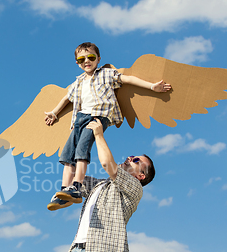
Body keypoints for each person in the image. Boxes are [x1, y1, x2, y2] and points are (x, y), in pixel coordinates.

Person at [44, 42, 169, 211]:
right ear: (77, 63)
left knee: (82, 150)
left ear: (98, 59)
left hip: (97, 116)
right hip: (79, 119)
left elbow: (128, 79)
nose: (86, 61)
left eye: (91, 57)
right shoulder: (78, 82)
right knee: (68, 156)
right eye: (81, 59)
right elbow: (67, 98)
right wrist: (54, 113)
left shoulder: (106, 74)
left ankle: (76, 186)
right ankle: (64, 190)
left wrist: (152, 86)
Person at [58, 118, 155, 252]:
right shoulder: (100, 185)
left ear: (140, 175)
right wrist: (79, 135)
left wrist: (99, 134)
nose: (129, 158)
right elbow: (74, 174)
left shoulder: (133, 187)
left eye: (136, 160)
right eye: (131, 156)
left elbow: (108, 165)